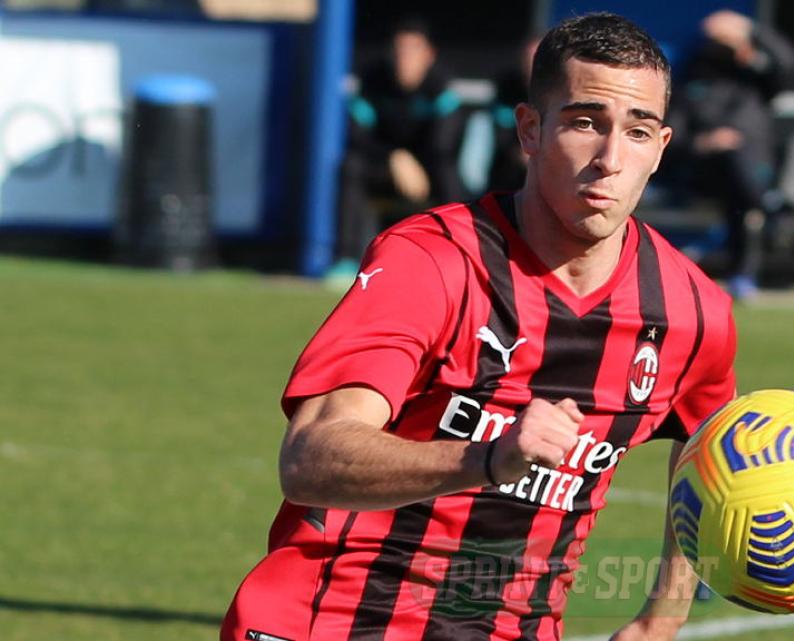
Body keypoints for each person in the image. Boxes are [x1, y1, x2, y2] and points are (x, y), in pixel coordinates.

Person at [222, 13, 738, 641]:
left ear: (660, 148)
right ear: (530, 130)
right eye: (584, 123)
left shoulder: (692, 311)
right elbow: (310, 459)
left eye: (637, 132)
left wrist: (663, 617)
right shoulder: (432, 261)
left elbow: (710, 458)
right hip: (334, 619)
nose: (610, 159)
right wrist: (490, 457)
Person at [669, 9, 794, 301]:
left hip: (750, 170)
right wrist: (704, 142)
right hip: (705, 172)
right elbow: (671, 136)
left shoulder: (754, 81)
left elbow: (788, 62)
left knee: (740, 185)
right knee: (738, 179)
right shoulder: (691, 83)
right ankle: (771, 206)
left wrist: (749, 28)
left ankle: (760, 213)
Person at [334, 17, 470, 273]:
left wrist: (416, 167)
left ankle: (459, 256)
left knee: (448, 172)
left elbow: (444, 144)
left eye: (412, 51)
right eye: (399, 51)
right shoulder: (372, 82)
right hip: (386, 167)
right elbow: (358, 136)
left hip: (427, 172)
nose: (404, 59)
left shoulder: (441, 86)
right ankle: (346, 259)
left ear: (429, 55)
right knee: (351, 166)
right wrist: (394, 157)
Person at [486, 35, 542, 192]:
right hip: (508, 175)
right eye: (528, 59)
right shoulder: (507, 90)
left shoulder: (559, 94)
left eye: (537, 60)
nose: (532, 66)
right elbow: (501, 132)